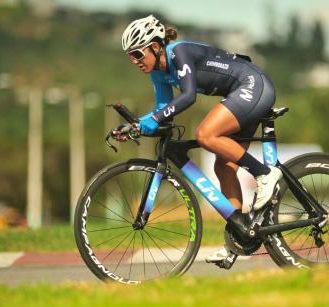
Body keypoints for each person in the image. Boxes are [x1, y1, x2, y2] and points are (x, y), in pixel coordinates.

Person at [121, 15, 282, 263]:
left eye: (137, 54)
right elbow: (163, 109)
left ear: (155, 46)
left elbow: (186, 97)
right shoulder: (158, 73)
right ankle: (240, 236)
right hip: (240, 93)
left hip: (252, 84)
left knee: (205, 134)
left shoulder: (179, 52)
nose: (134, 61)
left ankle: (265, 174)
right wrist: (134, 126)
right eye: (130, 57)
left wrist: (151, 120)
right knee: (224, 167)